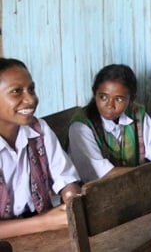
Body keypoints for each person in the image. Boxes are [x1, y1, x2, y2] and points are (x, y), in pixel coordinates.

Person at [0, 58, 81, 238]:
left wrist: (71, 201)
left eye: (31, 89)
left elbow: (65, 177)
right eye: (16, 91)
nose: (30, 99)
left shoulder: (39, 129)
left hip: (42, 231)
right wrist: (45, 222)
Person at [67, 64, 151, 182]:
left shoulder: (137, 113)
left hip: (135, 184)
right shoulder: (81, 126)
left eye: (119, 99)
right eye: (103, 97)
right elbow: (102, 173)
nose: (110, 105)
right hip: (97, 190)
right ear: (94, 93)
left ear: (131, 99)